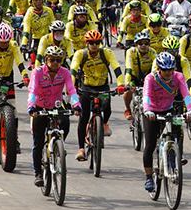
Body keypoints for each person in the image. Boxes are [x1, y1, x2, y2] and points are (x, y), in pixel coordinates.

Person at [27, 46, 82, 187]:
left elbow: (71, 89)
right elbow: (32, 90)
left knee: (66, 122)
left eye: (58, 60)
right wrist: (31, 106)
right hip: (39, 108)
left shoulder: (65, 72)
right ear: (46, 60)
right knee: (38, 142)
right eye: (52, 60)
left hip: (57, 106)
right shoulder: (37, 72)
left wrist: (76, 104)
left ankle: (58, 147)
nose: (55, 63)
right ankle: (38, 173)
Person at [141, 52, 191, 191]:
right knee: (150, 144)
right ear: (159, 69)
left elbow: (186, 94)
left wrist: (190, 110)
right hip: (151, 112)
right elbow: (146, 96)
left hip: (169, 110)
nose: (168, 72)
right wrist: (147, 110)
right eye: (165, 70)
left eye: (170, 69)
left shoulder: (178, 77)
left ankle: (174, 156)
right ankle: (148, 178)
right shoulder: (150, 78)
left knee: (177, 132)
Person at [70, 30, 125, 160]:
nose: (95, 45)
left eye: (97, 42)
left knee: (107, 108)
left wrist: (121, 84)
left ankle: (104, 124)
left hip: (102, 86)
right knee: (83, 118)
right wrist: (72, 89)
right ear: (87, 43)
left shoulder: (106, 53)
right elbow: (73, 70)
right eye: (91, 43)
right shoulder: (80, 54)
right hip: (86, 87)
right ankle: (81, 149)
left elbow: (116, 67)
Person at [123, 32, 157, 120]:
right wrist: (127, 83)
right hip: (134, 76)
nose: (143, 45)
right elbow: (129, 67)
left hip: (147, 76)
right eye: (140, 43)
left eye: (146, 43)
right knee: (129, 91)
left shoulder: (152, 52)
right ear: (135, 45)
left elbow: (155, 68)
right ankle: (127, 109)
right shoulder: (130, 52)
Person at [21, 0, 56, 69]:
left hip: (47, 37)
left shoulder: (48, 11)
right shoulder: (29, 13)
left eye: (39, 0)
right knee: (34, 52)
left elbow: (53, 25)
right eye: (36, 1)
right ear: (31, 3)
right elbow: (26, 31)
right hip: (35, 38)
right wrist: (23, 44)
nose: (38, 2)